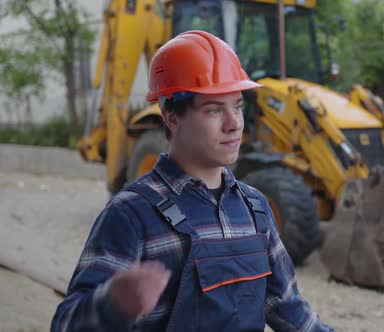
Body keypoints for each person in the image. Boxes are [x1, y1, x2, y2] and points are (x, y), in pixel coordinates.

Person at [51, 30, 334, 332]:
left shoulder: (255, 210)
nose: (234, 124)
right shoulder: (131, 215)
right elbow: (65, 326)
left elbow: (289, 309)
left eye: (237, 106)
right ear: (172, 117)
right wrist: (111, 304)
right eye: (214, 109)